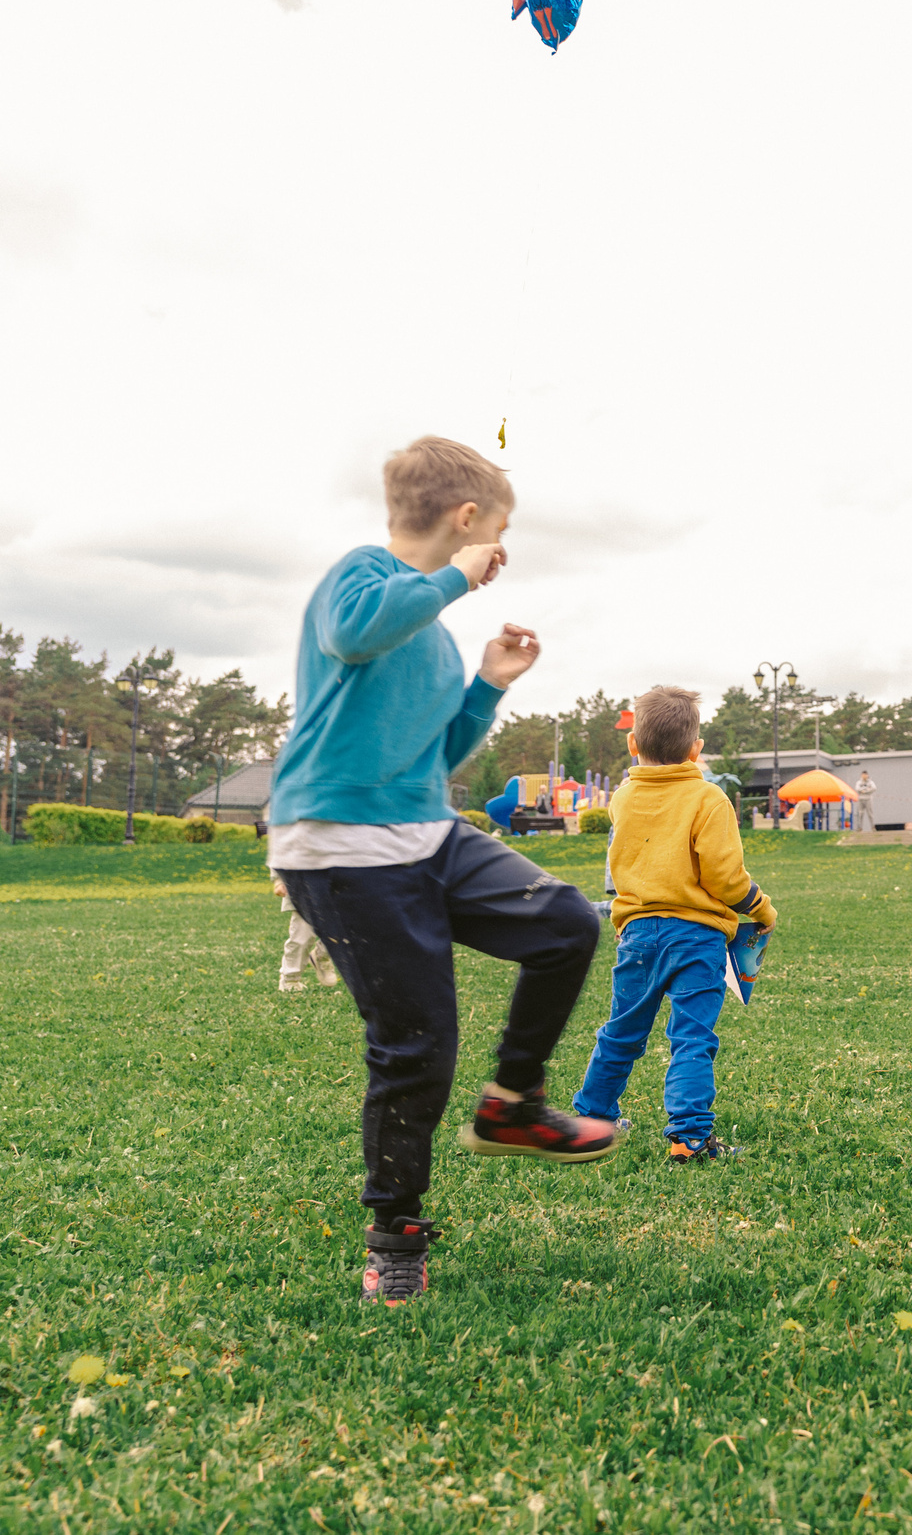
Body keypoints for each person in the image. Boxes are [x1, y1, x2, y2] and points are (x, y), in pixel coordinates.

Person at [268, 436, 617, 1308]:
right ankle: (395, 1238)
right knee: (417, 1048)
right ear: (468, 520)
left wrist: (489, 686)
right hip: (343, 846)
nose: (500, 551)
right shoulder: (360, 577)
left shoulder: (429, 630)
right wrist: (458, 576)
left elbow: (437, 758)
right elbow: (352, 634)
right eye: (499, 532)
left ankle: (514, 1103)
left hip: (427, 829)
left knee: (569, 922)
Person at [570, 686, 777, 1165]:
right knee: (691, 1037)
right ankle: (688, 1138)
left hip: (637, 933)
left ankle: (592, 1120)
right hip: (697, 937)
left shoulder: (622, 798)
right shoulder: (709, 798)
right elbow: (724, 876)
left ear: (632, 745)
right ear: (696, 749)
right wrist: (760, 907)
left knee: (622, 1030)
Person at [274, 875, 338, 991]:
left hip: (339, 884)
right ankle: (290, 980)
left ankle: (322, 956)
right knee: (302, 937)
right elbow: (281, 856)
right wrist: (279, 879)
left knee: (343, 931)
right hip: (303, 885)